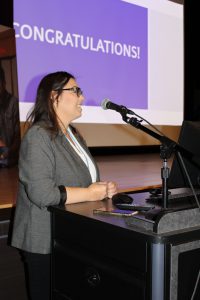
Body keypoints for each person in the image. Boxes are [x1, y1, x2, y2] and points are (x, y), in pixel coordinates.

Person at [11, 71, 118, 300]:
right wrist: (89, 192)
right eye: (76, 90)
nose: (82, 97)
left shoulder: (74, 135)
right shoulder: (38, 136)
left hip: (69, 235)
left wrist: (101, 189)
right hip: (43, 238)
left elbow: (83, 181)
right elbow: (41, 193)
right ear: (54, 96)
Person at [0, 65, 21, 167]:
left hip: (11, 153)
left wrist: (7, 152)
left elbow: (19, 135)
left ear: (3, 83)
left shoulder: (14, 103)